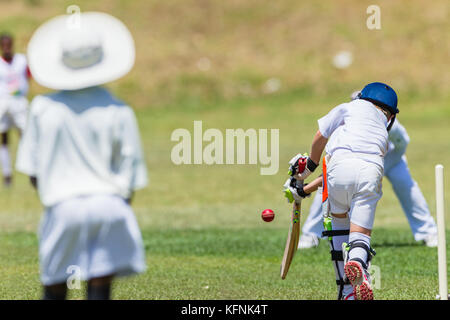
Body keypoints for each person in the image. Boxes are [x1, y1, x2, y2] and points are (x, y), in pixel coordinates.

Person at [16, 12, 147, 300]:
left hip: (64, 205)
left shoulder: (42, 107)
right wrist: (118, 204)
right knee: (100, 285)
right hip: (110, 204)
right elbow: (130, 170)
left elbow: (33, 170)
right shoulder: (118, 108)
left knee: (55, 285)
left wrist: (53, 199)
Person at [285, 82, 399, 300]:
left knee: (338, 223)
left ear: (361, 98)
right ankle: (357, 262)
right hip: (371, 171)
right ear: (390, 115)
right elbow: (357, 165)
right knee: (360, 234)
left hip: (338, 171)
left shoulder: (348, 110)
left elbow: (321, 136)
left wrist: (308, 167)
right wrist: (305, 188)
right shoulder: (380, 128)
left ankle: (347, 291)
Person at [298, 94, 437, 249]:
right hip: (360, 162)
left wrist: (383, 165)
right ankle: (310, 234)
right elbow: (330, 168)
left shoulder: (391, 124)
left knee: (407, 187)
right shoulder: (346, 122)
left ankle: (428, 232)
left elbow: (403, 143)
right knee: (329, 188)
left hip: (392, 158)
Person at [0, 33, 31, 186]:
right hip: (3, 103)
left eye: (9, 45)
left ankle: (30, 170)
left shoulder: (21, 60)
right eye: (3, 45)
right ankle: (7, 174)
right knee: (4, 139)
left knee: (25, 136)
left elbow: (29, 76)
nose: (6, 48)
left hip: (19, 103)